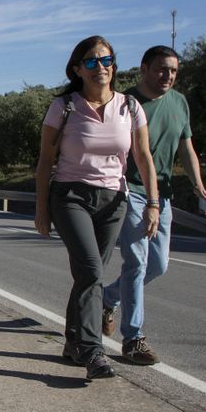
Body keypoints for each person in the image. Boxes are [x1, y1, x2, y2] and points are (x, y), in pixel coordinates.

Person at [34, 35, 159, 381]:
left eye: (106, 60)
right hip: (70, 195)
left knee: (88, 275)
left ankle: (73, 340)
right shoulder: (65, 106)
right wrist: (41, 209)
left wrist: (152, 203)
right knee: (91, 272)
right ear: (78, 69)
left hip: (114, 200)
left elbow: (143, 157)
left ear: (113, 66)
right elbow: (46, 161)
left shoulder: (130, 107)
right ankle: (93, 352)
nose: (100, 67)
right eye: (91, 62)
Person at [101, 46, 206, 365]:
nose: (168, 76)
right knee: (136, 263)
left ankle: (107, 298)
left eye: (174, 71)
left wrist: (197, 184)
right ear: (145, 69)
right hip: (131, 190)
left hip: (163, 193)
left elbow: (186, 147)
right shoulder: (126, 103)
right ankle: (133, 338)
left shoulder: (179, 102)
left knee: (158, 265)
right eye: (162, 69)